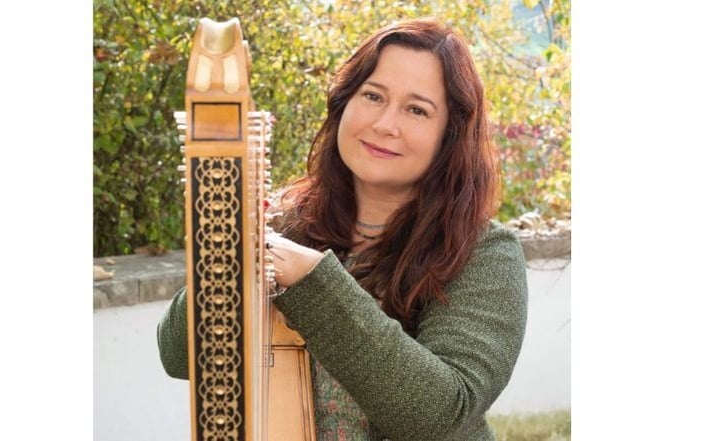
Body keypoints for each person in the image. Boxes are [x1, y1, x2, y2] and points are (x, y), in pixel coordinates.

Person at [157, 18, 528, 441]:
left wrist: (313, 279)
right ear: (343, 103)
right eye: (373, 96)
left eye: (416, 109)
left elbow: (440, 415)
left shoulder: (484, 253)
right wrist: (224, 242)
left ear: (450, 135)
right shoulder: (283, 222)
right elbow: (178, 356)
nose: (386, 124)